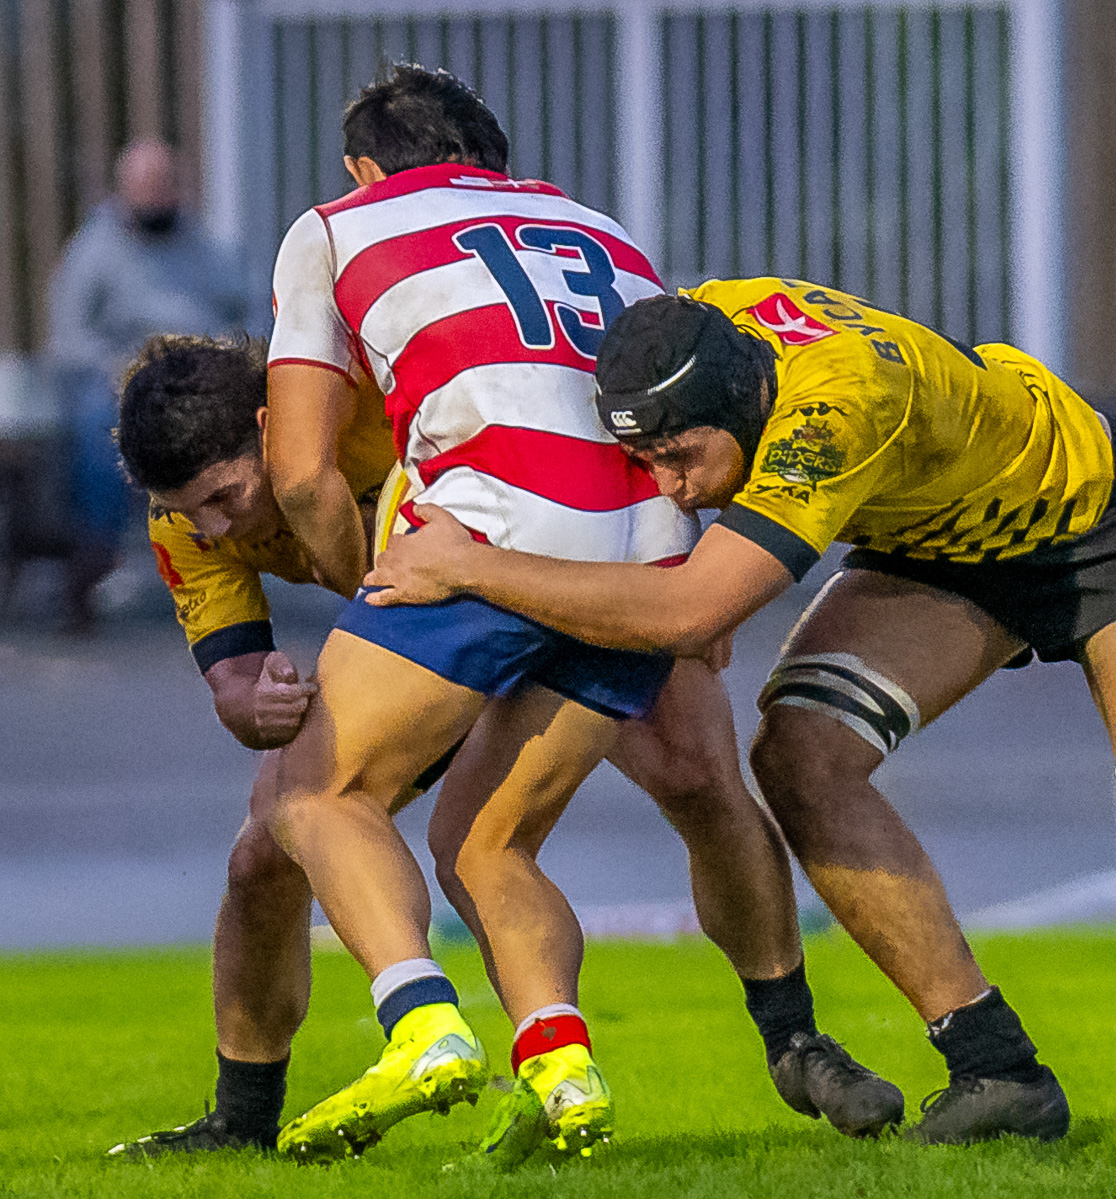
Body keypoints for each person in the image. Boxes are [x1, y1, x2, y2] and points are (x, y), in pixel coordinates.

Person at [366, 283, 1116, 1144]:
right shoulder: (717, 336)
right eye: (644, 461)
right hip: (948, 547)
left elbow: (693, 606)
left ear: (742, 406)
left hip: (1097, 516)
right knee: (798, 755)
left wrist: (472, 568)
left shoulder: (832, 411)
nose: (668, 488)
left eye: (681, 460)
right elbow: (688, 573)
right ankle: (997, 1066)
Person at [257, 69, 899, 1162]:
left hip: (493, 529)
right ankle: (563, 1066)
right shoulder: (594, 222)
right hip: (650, 548)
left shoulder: (333, 226)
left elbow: (305, 473)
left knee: (315, 792)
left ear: (366, 166)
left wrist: (359, 579)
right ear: (490, 160)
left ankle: (419, 1023)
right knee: (489, 839)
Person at [104, 334, 895, 1162]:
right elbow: (231, 680)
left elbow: (585, 410)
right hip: (423, 637)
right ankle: (243, 1117)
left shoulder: (376, 395)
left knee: (694, 772)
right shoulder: (185, 522)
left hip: (548, 565)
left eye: (226, 497)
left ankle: (794, 1039)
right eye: (189, 510)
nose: (213, 525)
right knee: (265, 852)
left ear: (275, 432)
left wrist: (692, 574)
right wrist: (254, 704)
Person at [45, 140, 252, 631]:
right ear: (124, 189)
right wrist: (116, 366)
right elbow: (68, 336)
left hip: (193, 379)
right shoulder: (94, 250)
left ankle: (232, 555)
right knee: (99, 429)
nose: (158, 196)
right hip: (119, 382)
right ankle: (95, 556)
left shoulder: (201, 245)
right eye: (147, 186)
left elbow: (244, 306)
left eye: (165, 185)